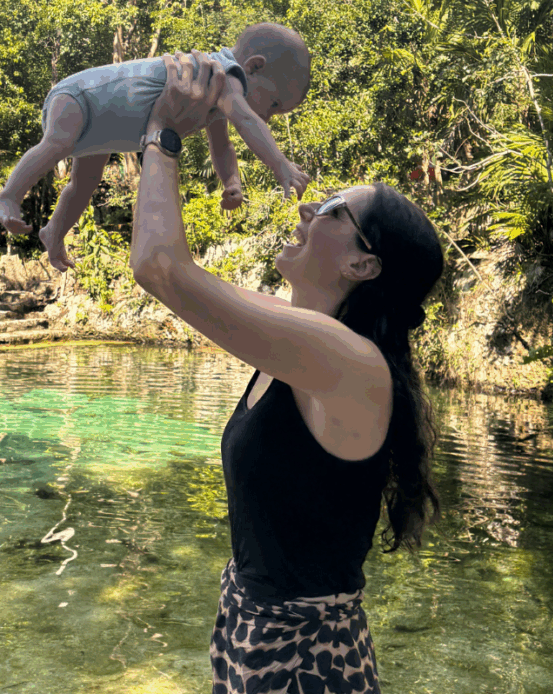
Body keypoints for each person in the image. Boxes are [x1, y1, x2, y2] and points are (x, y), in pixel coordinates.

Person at [130, 50, 443, 694]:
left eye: (332, 208)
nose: (307, 208)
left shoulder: (349, 363)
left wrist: (162, 132)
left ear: (364, 265)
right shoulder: (302, 346)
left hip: (304, 665)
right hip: (258, 642)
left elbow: (160, 266)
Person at [0, 23, 313, 271]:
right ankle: (8, 196)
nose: (267, 117)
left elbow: (223, 146)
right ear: (253, 67)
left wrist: (232, 183)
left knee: (84, 184)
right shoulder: (224, 74)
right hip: (80, 96)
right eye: (273, 103)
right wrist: (282, 167)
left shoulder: (213, 96)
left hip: (102, 125)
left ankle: (54, 233)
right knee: (57, 143)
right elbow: (247, 122)